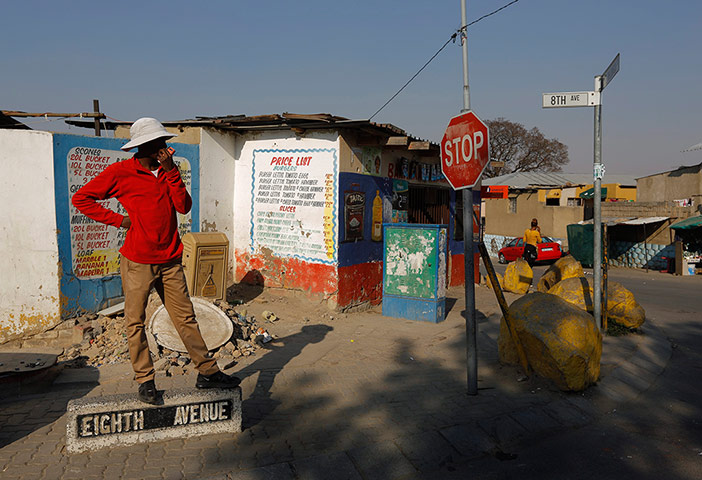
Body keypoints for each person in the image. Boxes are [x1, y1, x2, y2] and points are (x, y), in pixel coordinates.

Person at [72, 117, 240, 405]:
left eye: (164, 142)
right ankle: (145, 381)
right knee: (135, 321)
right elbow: (82, 198)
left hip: (171, 259)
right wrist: (120, 221)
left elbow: (184, 207)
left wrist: (171, 172)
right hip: (138, 261)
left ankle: (207, 372)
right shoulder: (120, 172)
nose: (164, 147)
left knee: (185, 318)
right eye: (158, 144)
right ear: (143, 147)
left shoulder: (168, 172)